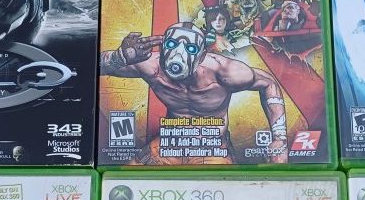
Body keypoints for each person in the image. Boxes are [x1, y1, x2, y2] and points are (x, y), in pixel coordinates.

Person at [100, 23, 288, 164]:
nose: (178, 54)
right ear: (162, 47)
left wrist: (280, 139)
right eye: (172, 44)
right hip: (169, 145)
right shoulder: (150, 67)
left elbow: (269, 83)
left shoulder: (225, 72)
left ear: (202, 55)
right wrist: (119, 57)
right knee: (123, 183)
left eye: (191, 49)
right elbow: (94, 66)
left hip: (213, 149)